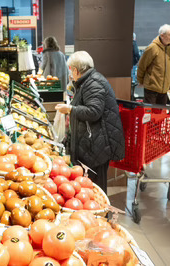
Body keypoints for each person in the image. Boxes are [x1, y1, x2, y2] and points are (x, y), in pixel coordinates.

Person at [55, 51, 125, 194]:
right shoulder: (87, 81)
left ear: (75, 70)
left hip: (97, 146)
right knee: (89, 186)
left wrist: (70, 109)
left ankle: (101, 214)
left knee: (95, 188)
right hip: (93, 144)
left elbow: (94, 111)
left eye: (71, 70)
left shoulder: (94, 83)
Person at [137, 24, 170, 105]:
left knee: (161, 115)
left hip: (164, 89)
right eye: (169, 35)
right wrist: (141, 81)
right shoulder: (152, 48)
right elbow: (142, 66)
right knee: (151, 115)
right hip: (151, 88)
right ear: (162, 35)